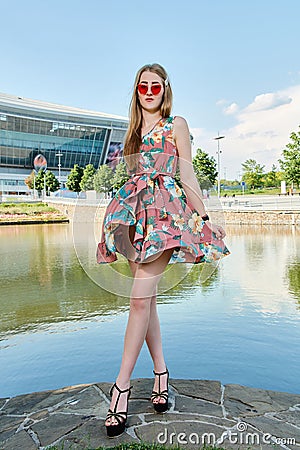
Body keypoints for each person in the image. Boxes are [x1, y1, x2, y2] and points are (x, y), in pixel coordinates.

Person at [96, 63, 230, 438]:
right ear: (136, 90)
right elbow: (132, 174)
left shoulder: (177, 125)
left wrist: (203, 217)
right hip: (138, 213)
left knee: (138, 299)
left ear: (165, 89)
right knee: (147, 299)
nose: (150, 90)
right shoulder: (132, 130)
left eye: (157, 85)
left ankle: (120, 388)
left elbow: (186, 174)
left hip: (167, 215)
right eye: (144, 85)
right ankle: (160, 374)